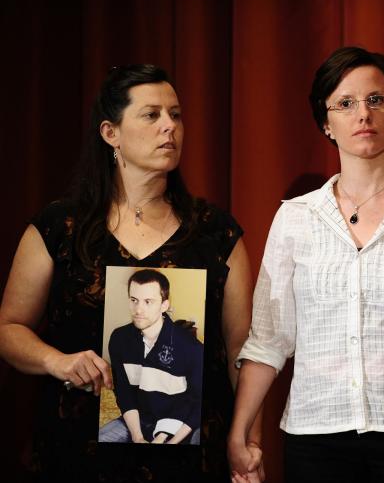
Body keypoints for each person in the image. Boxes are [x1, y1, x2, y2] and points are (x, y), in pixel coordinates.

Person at [228, 46, 384, 483]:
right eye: (345, 103)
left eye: (376, 100)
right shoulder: (296, 217)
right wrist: (240, 432)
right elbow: (269, 339)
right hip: (315, 434)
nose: (363, 113)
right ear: (326, 123)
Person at [0, 64, 260, 481]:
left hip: (191, 458)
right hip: (77, 455)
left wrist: (246, 441)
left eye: (175, 115)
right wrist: (57, 361)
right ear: (110, 133)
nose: (169, 127)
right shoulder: (60, 226)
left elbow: (242, 349)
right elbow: (9, 328)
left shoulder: (216, 231)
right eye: (151, 114)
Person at [99, 269, 202, 445]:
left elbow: (196, 404)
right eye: (134, 300)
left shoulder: (192, 348)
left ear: (164, 305)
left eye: (148, 302)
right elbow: (124, 393)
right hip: (137, 421)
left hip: (177, 425)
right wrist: (137, 436)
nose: (138, 309)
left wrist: (168, 440)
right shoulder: (119, 339)